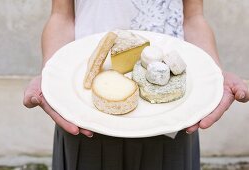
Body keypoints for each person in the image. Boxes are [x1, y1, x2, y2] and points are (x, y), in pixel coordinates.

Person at [23, 0, 249, 169]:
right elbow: (62, 16)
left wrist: (213, 74)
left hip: (172, 119)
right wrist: (54, 78)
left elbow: (193, 18)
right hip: (85, 116)